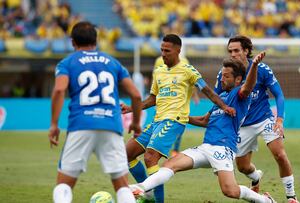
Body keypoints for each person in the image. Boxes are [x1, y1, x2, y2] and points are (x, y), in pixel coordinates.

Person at [130, 53, 277, 203]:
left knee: (230, 191)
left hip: (223, 148)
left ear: (238, 79)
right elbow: (204, 120)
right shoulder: (222, 98)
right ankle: (141, 188)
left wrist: (254, 66)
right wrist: (178, 116)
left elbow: (248, 86)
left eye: (226, 76)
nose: (221, 79)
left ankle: (265, 201)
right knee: (170, 164)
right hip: (206, 147)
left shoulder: (240, 96)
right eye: (222, 75)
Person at [121, 34, 235, 203]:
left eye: (167, 50)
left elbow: (208, 90)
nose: (163, 54)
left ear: (178, 50)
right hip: (157, 121)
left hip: (174, 121)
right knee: (126, 154)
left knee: (150, 157)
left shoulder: (188, 70)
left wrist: (224, 106)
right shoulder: (158, 72)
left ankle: (155, 199)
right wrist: (132, 108)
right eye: (161, 50)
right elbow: (152, 99)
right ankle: (149, 194)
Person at [48, 21, 142, 203]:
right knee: (122, 185)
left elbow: (59, 90)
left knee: (64, 184)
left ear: (73, 42)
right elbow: (136, 95)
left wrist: (53, 124)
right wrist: (136, 123)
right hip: (111, 125)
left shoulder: (67, 63)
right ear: (96, 41)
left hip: (81, 125)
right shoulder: (112, 62)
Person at [214, 35, 298, 203]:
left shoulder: (262, 69)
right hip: (242, 125)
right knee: (243, 167)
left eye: (236, 50)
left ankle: (291, 196)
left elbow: (279, 94)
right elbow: (217, 98)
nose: (233, 54)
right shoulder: (225, 73)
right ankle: (256, 177)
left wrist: (279, 120)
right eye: (230, 51)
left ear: (246, 51)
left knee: (280, 154)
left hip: (264, 119)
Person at [153, 55, 200, 157]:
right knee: (159, 123)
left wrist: (195, 95)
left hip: (180, 99)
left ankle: (175, 149)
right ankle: (157, 147)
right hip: (164, 99)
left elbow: (191, 79)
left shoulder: (184, 60)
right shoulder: (158, 61)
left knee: (179, 122)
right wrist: (155, 98)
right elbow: (156, 80)